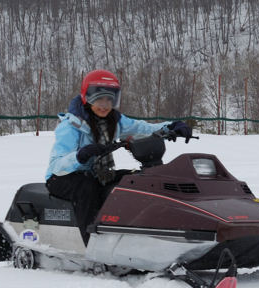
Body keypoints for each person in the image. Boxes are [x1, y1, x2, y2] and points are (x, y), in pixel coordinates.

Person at [44, 69, 192, 244]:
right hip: (62, 178)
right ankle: (93, 246)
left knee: (133, 180)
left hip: (97, 174)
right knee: (86, 188)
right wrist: (80, 156)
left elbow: (143, 129)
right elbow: (56, 165)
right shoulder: (71, 126)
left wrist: (172, 126)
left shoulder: (115, 121)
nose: (104, 104)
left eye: (109, 99)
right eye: (98, 98)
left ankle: (137, 237)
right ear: (86, 97)